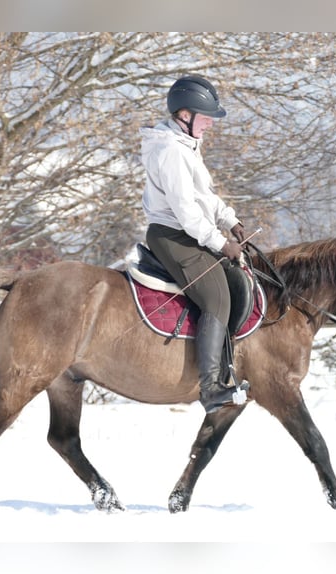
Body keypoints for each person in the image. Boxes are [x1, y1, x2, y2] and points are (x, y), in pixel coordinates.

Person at [140, 75, 249, 413]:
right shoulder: (171, 151)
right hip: (172, 234)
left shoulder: (186, 146)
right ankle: (211, 387)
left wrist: (231, 220)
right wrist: (221, 243)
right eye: (205, 118)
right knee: (216, 295)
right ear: (184, 115)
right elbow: (186, 212)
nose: (209, 125)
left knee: (235, 278)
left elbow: (204, 197)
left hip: (187, 231)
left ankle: (226, 362)